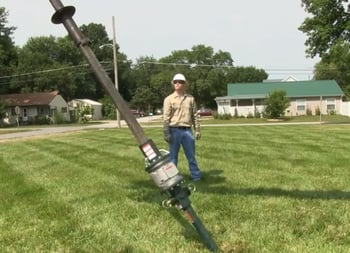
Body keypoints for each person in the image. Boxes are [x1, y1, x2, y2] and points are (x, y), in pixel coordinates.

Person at [163, 73, 202, 181]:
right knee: (173, 157)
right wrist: (166, 132)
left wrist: (197, 130)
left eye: (180, 82)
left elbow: (195, 115)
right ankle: (172, 178)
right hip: (173, 130)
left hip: (187, 131)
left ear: (185, 84)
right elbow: (166, 117)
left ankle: (196, 176)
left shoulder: (190, 99)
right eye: (175, 82)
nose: (177, 84)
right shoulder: (168, 99)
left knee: (191, 156)